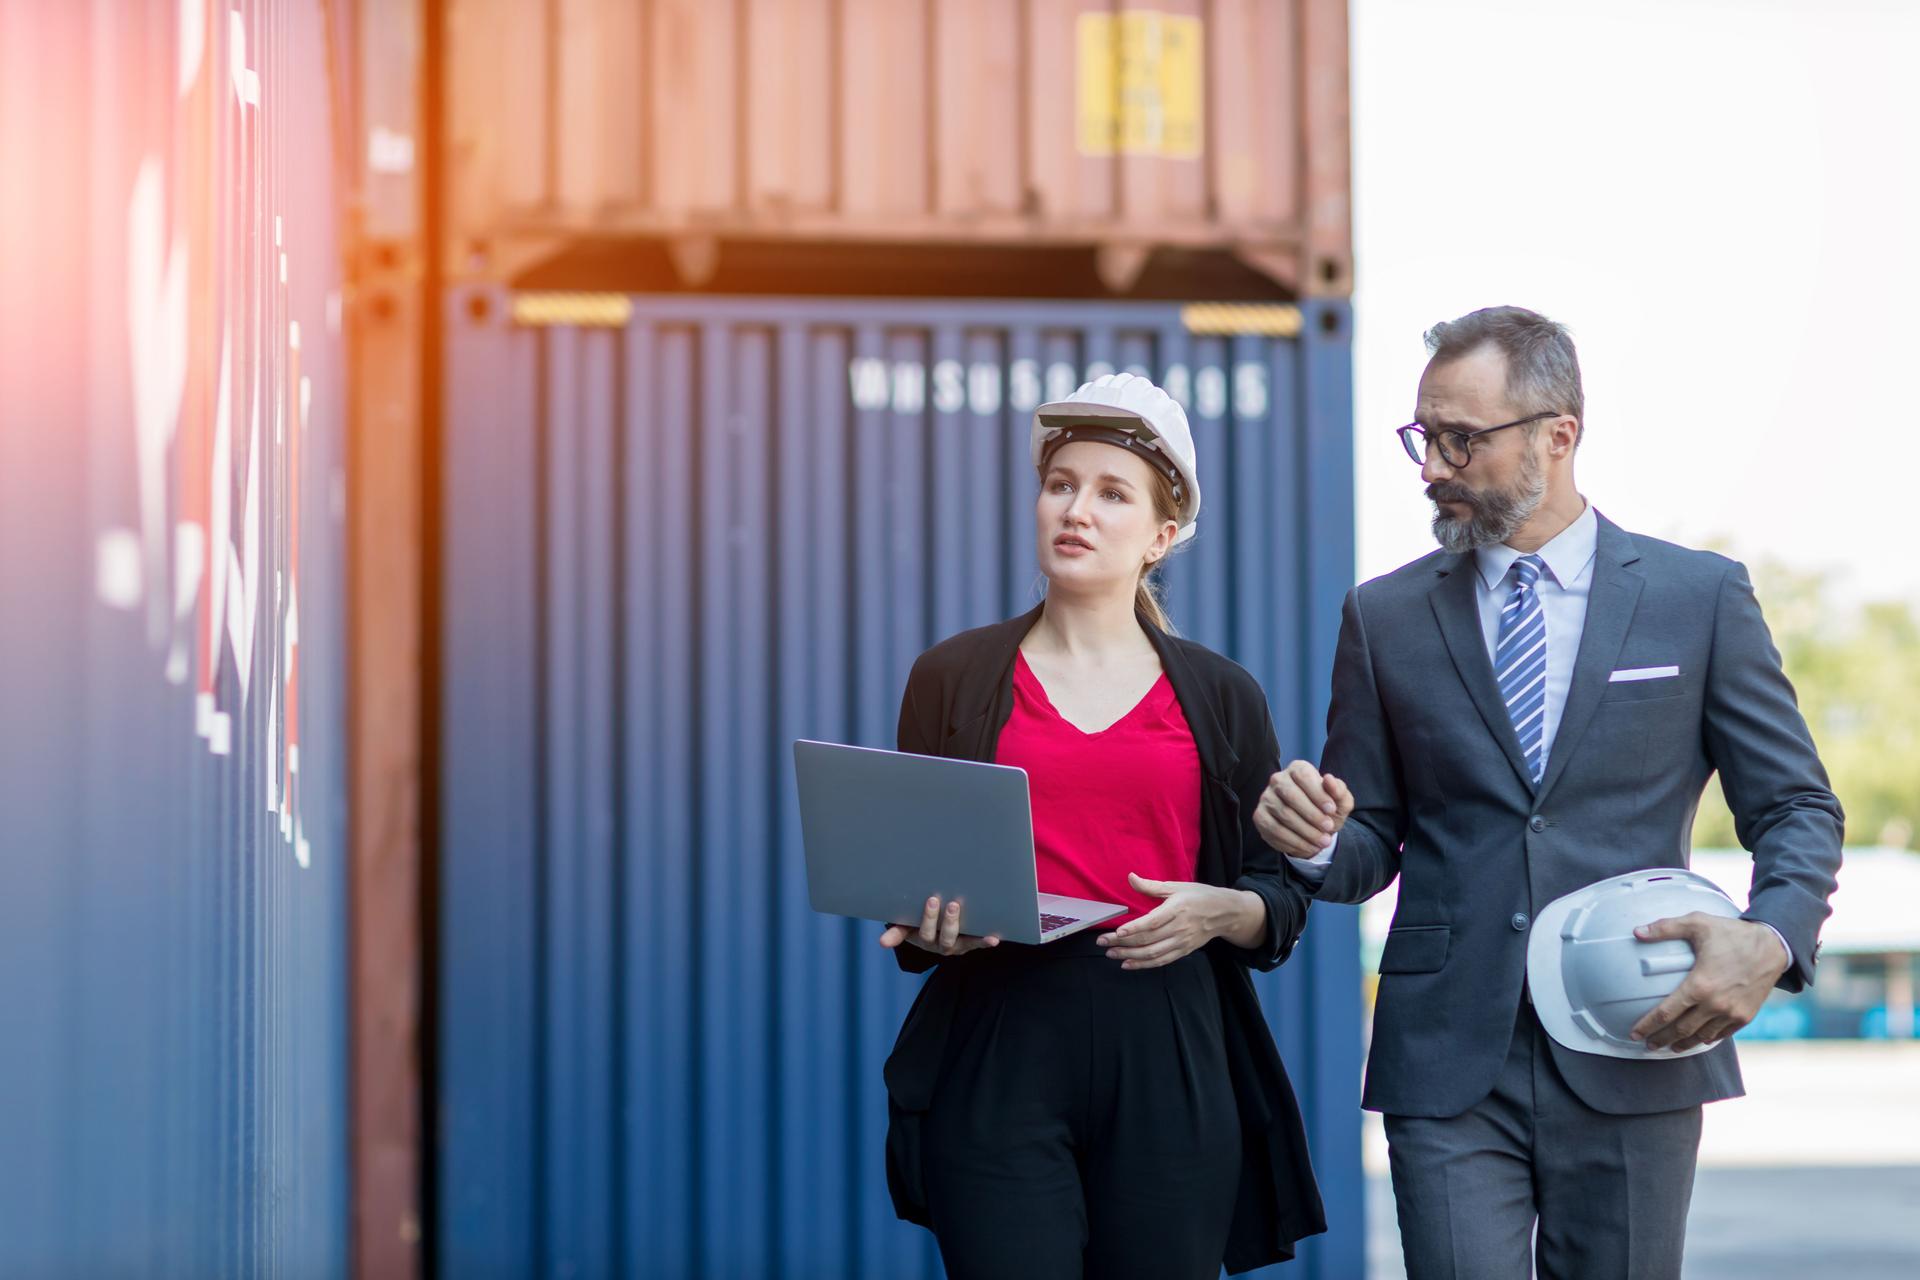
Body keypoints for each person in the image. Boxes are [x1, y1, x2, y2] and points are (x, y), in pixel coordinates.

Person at [1256, 306, 1844, 1279]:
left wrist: (1769, 936)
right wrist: (1318, 840)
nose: (1432, 464)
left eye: (1459, 437)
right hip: (1448, 1056)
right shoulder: (1385, 615)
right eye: (1422, 435)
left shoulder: (1696, 597)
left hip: (1642, 1034)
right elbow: (1373, 840)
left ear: (1557, 433)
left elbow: (1795, 805)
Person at [878, 373, 1326, 1279]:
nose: (1076, 509)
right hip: (1000, 1040)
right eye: (1061, 485)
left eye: (1112, 493)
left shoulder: (1222, 697)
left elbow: (1278, 899)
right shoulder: (952, 679)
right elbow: (915, 899)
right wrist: (934, 930)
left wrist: (1217, 910)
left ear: (1162, 537)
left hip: (1170, 1045)